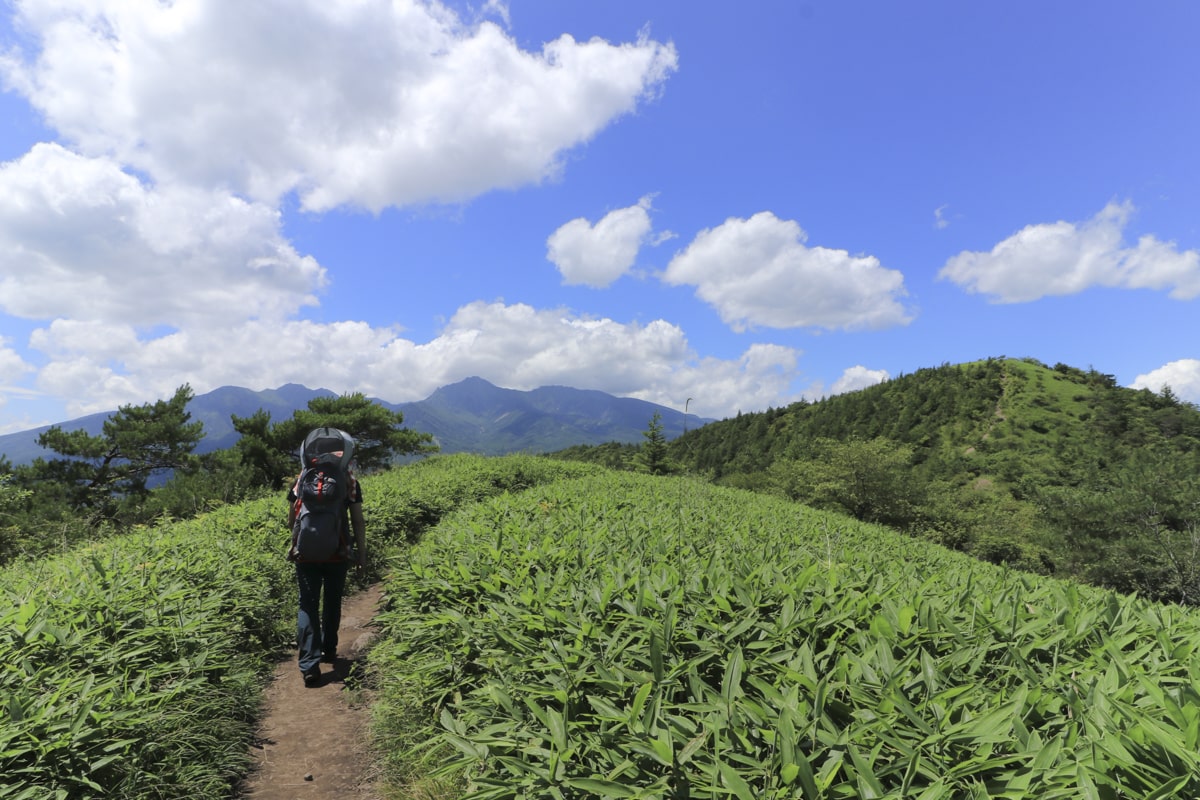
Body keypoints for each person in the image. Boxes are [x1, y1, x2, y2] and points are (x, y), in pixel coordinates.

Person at [286, 437, 366, 688]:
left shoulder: (303, 478)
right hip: (337, 553)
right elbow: (357, 520)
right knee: (332, 600)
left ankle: (309, 664)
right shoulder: (348, 480)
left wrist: (300, 541)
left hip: (306, 554)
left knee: (307, 605)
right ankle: (329, 650)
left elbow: (292, 518)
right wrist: (361, 552)